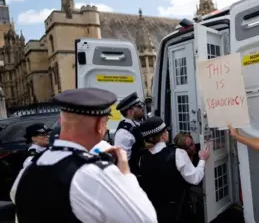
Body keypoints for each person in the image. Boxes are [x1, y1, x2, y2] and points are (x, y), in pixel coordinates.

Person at [10, 88, 157, 223]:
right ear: (100, 125)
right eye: (106, 122)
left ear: (61, 121)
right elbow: (145, 219)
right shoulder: (95, 173)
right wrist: (126, 175)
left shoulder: (29, 169)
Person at [138, 117, 210, 223]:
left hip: (154, 212)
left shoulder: (142, 158)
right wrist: (202, 159)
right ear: (163, 135)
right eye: (165, 130)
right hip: (178, 211)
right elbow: (195, 178)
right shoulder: (177, 153)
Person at [114, 92, 146, 174]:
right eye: (139, 106)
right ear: (130, 112)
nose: (142, 108)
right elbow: (123, 162)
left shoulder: (140, 123)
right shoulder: (124, 133)